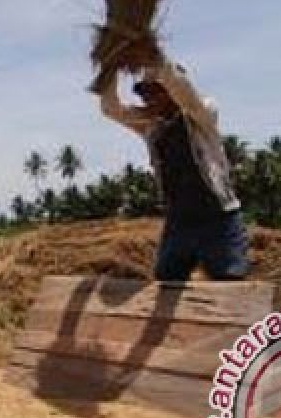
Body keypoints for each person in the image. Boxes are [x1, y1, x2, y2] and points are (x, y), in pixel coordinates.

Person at [98, 58, 251, 282]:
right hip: (179, 222)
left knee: (230, 282)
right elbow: (111, 109)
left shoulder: (201, 114)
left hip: (218, 218)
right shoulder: (151, 125)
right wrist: (108, 71)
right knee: (166, 281)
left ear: (171, 91)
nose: (146, 99)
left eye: (153, 92)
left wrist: (149, 52)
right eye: (143, 94)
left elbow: (183, 90)